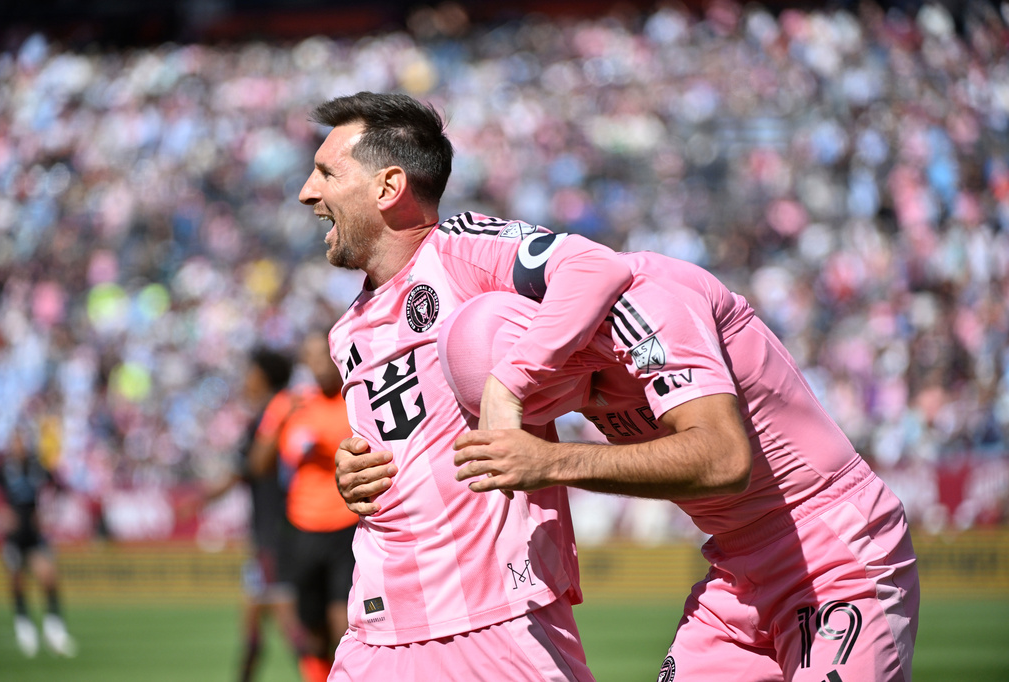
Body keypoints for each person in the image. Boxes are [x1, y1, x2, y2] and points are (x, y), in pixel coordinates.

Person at [339, 251, 921, 681]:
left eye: (536, 402)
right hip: (736, 568)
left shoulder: (649, 304)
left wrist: (552, 461)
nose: (555, 414)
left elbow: (724, 459)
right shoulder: (576, 357)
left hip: (834, 550)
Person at [297, 91, 638, 681]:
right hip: (375, 629)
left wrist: (509, 387)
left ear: (388, 186)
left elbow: (595, 267)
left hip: (496, 622)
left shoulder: (461, 249)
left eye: (327, 172)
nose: (308, 191)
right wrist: (352, 472)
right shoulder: (346, 330)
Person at [249, 329, 359, 682]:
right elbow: (258, 466)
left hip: (347, 526)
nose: (318, 362)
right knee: (310, 631)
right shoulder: (290, 403)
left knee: (343, 623)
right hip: (302, 530)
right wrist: (281, 420)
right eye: (310, 355)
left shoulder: (355, 398)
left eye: (323, 353)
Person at [198, 346, 307, 682]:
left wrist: (199, 499)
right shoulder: (286, 411)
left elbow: (245, 470)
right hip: (274, 534)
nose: (245, 380)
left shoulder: (271, 417)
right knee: (254, 627)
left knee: (289, 625)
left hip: (276, 535)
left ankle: (329, 672)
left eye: (250, 373)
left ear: (262, 377)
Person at [0, 423, 77, 658]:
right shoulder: (1, 468)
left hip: (34, 534)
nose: (19, 446)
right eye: (15, 441)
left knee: (48, 576)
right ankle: (24, 624)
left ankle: (54, 627)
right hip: (14, 536)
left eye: (22, 441)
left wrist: (47, 514)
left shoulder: (37, 466)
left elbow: (59, 486)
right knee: (17, 580)